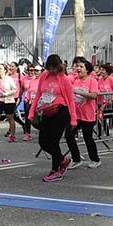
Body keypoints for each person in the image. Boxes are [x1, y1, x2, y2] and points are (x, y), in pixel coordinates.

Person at [28, 54, 79, 182]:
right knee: (43, 142)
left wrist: (73, 119)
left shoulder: (64, 79)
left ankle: (55, 170)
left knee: (53, 141)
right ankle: (63, 160)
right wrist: (31, 112)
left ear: (58, 67)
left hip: (61, 111)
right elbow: (39, 94)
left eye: (54, 68)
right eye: (49, 68)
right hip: (46, 111)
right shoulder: (44, 76)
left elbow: (71, 100)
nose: (51, 71)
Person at [66, 57, 101, 169]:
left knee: (88, 138)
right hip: (75, 115)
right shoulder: (75, 80)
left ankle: (95, 159)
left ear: (87, 70)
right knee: (69, 135)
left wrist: (80, 92)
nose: (78, 69)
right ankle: (76, 159)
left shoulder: (92, 81)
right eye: (77, 66)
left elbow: (94, 95)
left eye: (81, 67)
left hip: (88, 115)